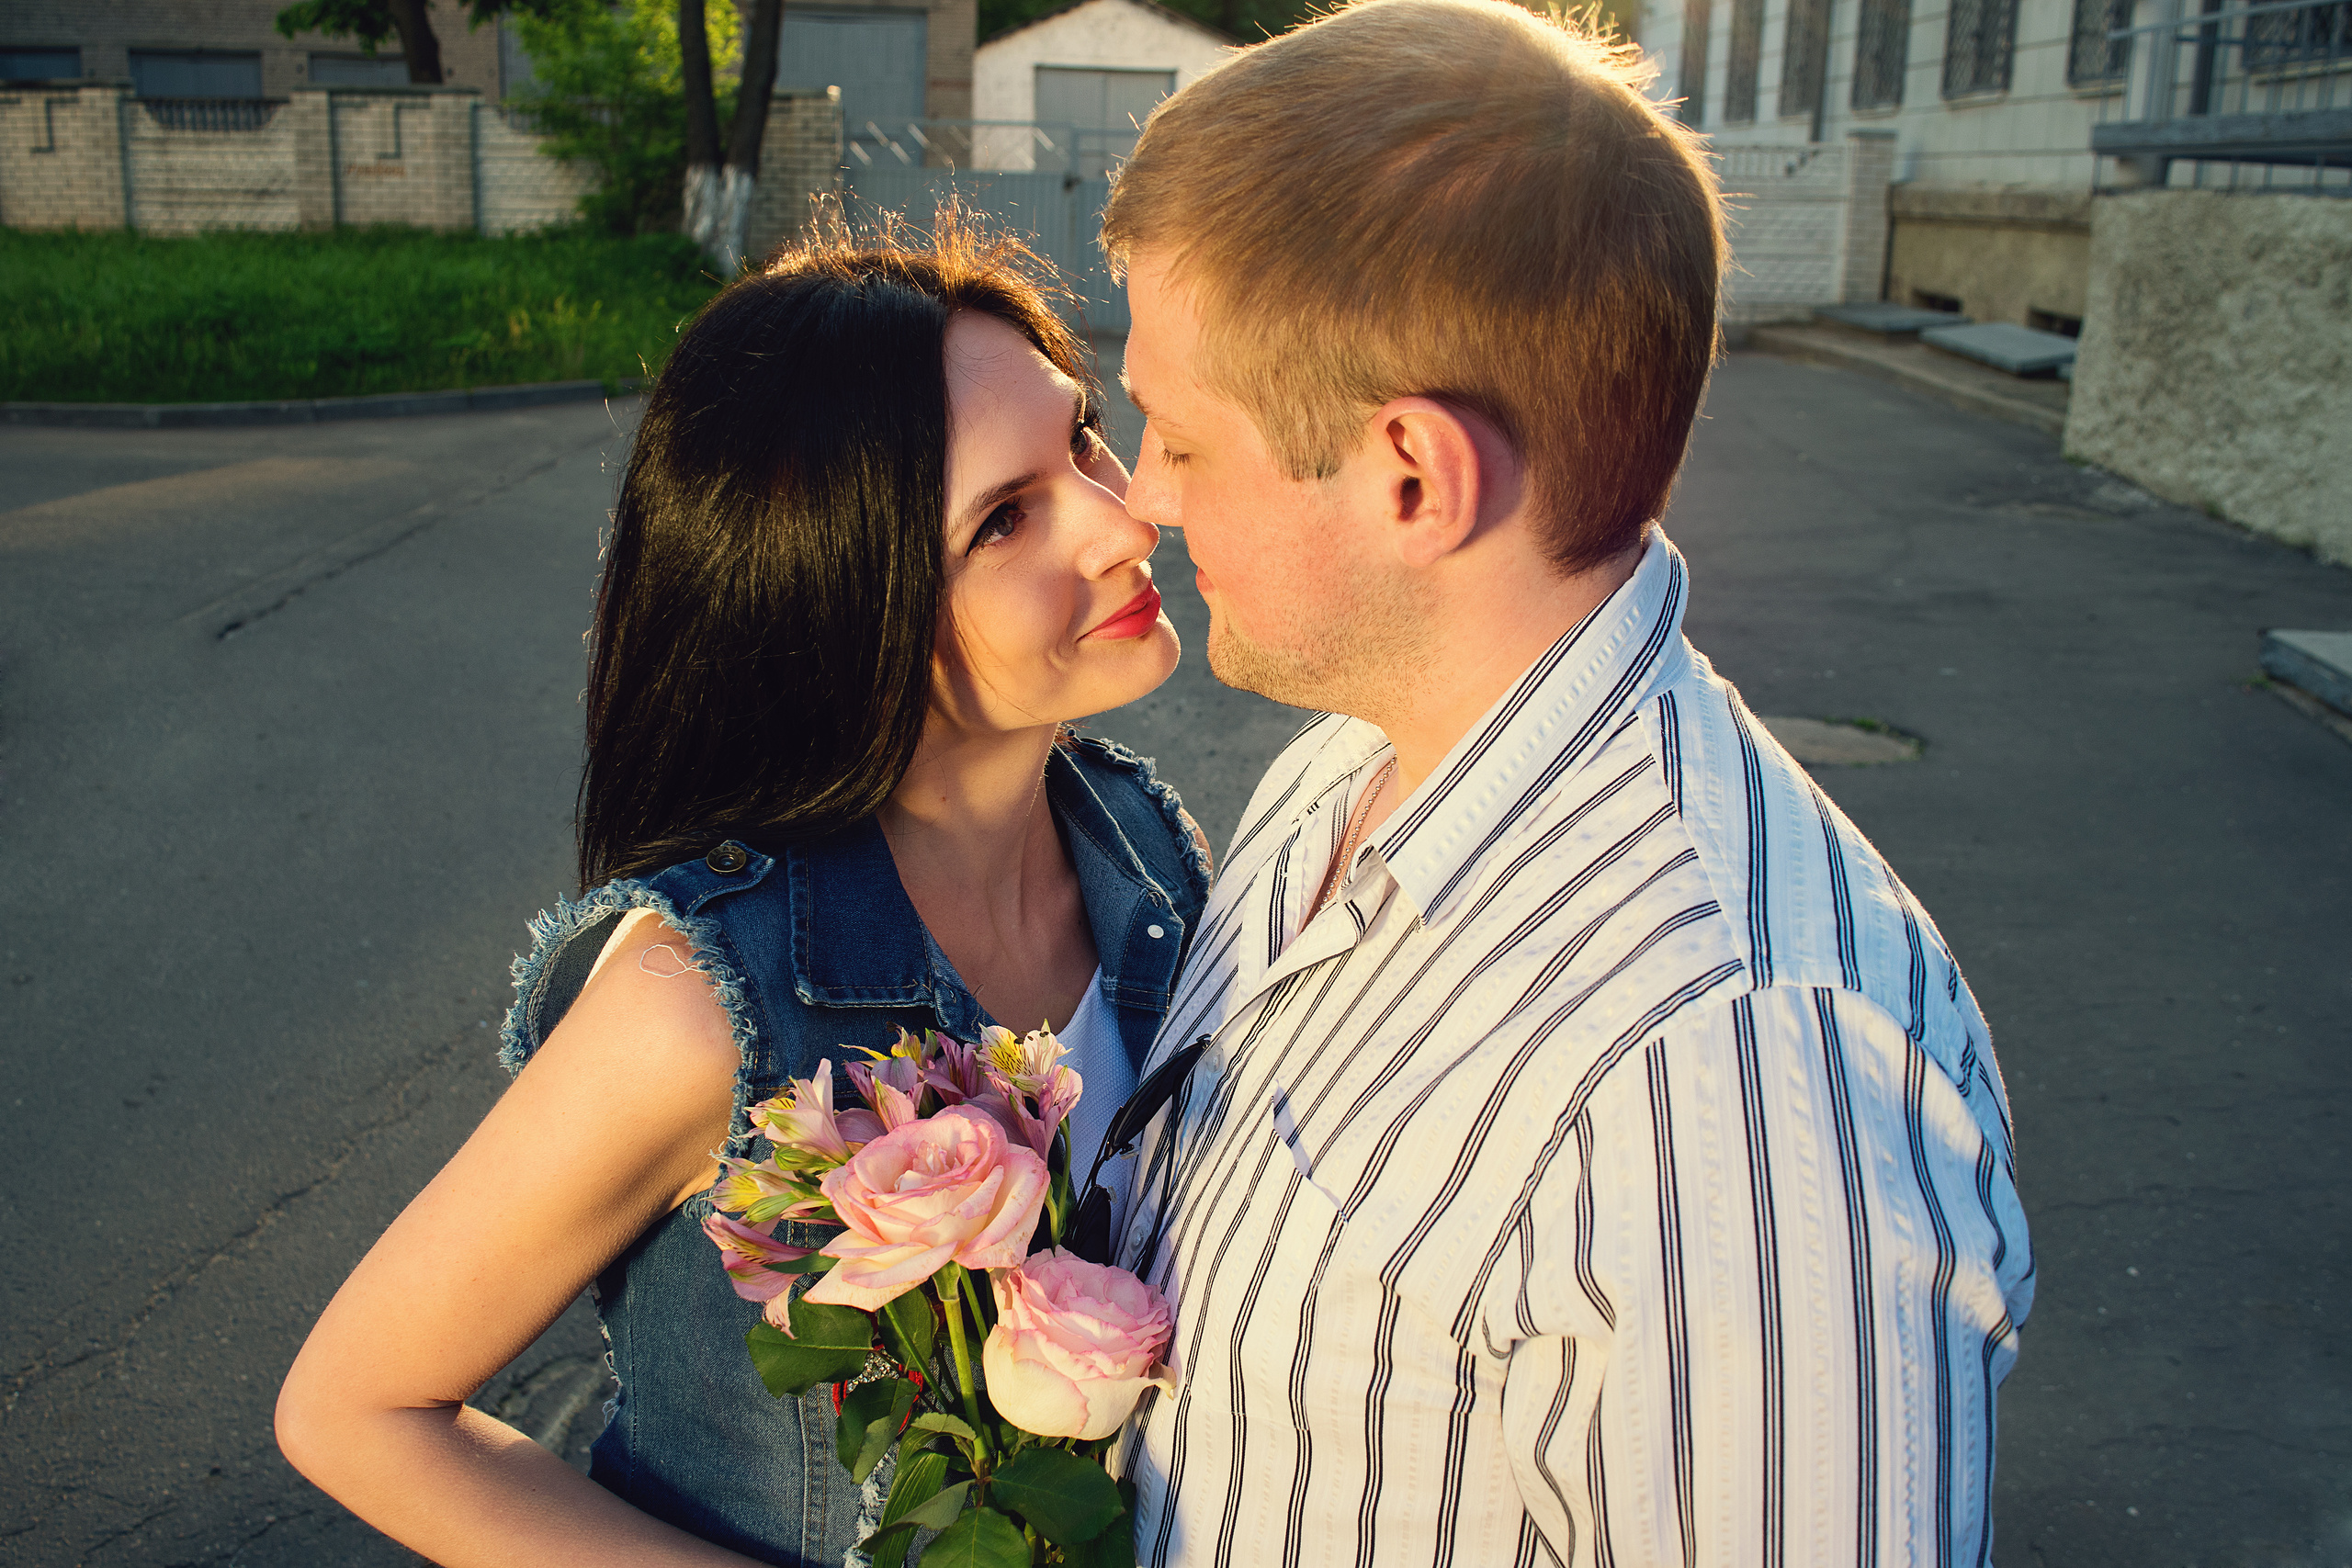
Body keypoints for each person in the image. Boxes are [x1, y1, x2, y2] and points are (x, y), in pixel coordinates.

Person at [1102, 3, 2036, 1563]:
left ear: (1412, 474)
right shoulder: (1345, 767)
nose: (1142, 492)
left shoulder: (1725, 1080)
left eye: (1186, 441)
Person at [275, 215, 1212, 1567]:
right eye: (1005, 519)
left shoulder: (1142, 850)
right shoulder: (696, 1004)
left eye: (1080, 438)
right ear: (849, 599)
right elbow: (355, 1409)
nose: (1127, 518)